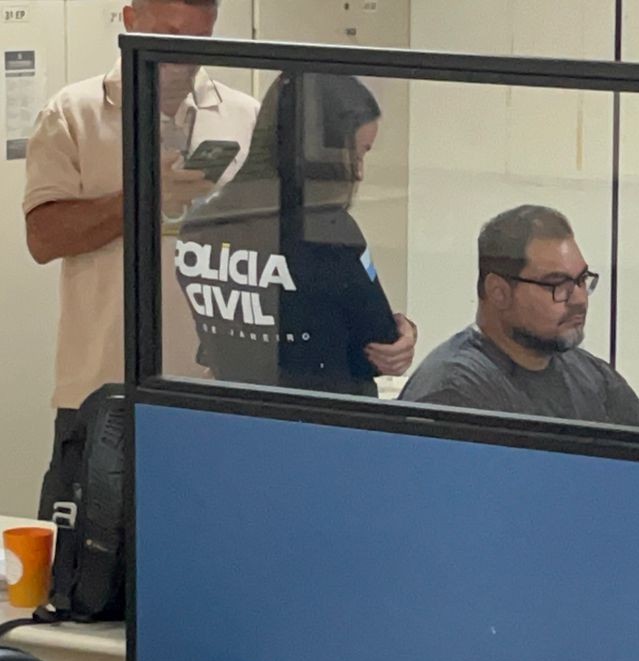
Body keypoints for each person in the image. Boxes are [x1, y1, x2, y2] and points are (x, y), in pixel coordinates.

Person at [22, 0, 259, 519]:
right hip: (101, 388)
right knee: (89, 556)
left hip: (214, 391)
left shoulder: (245, 117)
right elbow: (43, 238)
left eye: (199, 43)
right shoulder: (73, 113)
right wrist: (144, 195)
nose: (184, 59)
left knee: (208, 547)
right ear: (130, 22)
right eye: (170, 38)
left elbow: (275, 246)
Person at [177, 72, 415, 396]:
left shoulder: (201, 223)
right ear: (322, 148)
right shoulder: (329, 233)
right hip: (322, 417)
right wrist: (404, 332)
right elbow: (378, 348)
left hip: (232, 412)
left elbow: (214, 341)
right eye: (356, 154)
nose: (359, 171)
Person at [399, 205, 639, 428]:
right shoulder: (453, 393)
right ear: (499, 292)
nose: (579, 299)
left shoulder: (590, 375)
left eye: (581, 280)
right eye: (557, 284)